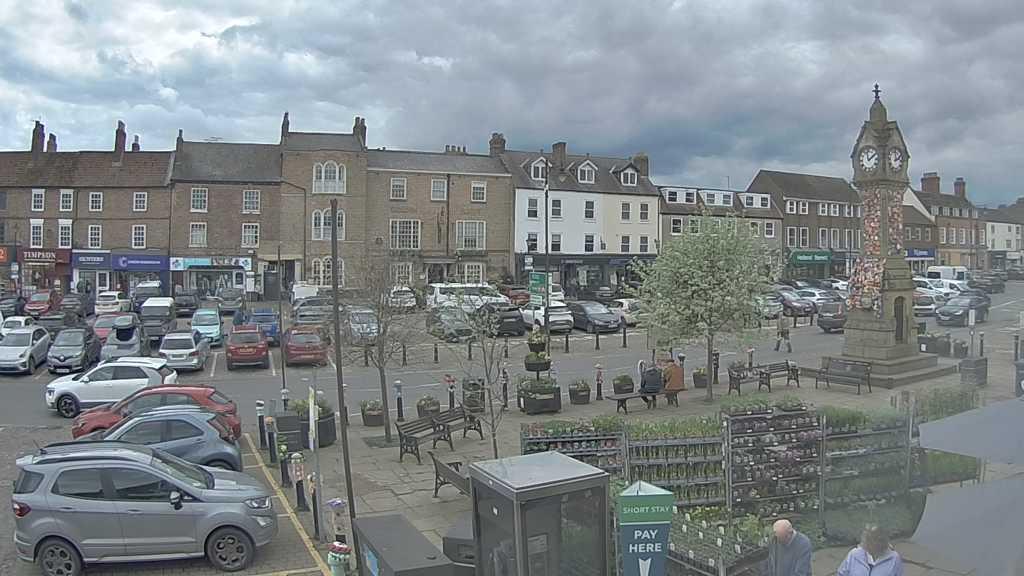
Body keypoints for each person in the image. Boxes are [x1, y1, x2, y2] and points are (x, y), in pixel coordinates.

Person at [836, 525, 903, 576]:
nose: (876, 543)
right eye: (872, 539)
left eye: (880, 539)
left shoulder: (894, 558)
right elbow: (841, 574)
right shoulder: (854, 555)